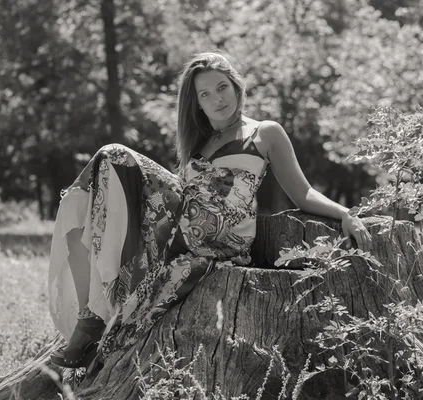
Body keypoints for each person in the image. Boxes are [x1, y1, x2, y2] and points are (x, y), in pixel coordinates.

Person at [47, 51, 372, 369]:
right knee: (89, 217)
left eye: (222, 87)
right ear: (197, 104)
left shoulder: (264, 132)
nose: (217, 99)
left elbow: (303, 192)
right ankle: (89, 319)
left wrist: (345, 213)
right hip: (185, 228)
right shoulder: (198, 145)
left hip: (223, 236)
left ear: (236, 87)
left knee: (115, 154)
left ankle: (92, 320)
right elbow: (182, 194)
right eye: (205, 94)